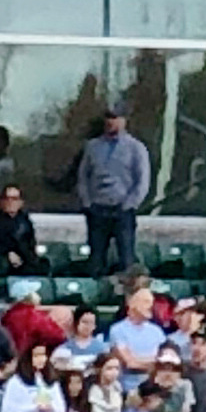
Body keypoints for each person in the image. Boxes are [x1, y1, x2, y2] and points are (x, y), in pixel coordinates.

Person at [76, 104, 151, 280]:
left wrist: (130, 203)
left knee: (126, 258)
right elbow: (83, 176)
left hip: (122, 210)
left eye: (116, 118)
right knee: (96, 258)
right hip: (97, 209)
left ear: (124, 121)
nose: (112, 122)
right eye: (109, 118)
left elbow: (142, 180)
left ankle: (126, 297)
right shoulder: (92, 147)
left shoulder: (136, 148)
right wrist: (87, 202)